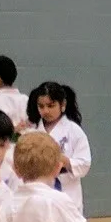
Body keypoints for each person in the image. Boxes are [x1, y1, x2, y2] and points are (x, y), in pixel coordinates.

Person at [29, 81, 92, 212]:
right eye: (41, 106)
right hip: (39, 192)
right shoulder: (32, 131)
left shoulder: (74, 131)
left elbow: (84, 163)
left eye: (51, 106)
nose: (45, 111)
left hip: (67, 192)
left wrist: (65, 161)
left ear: (62, 105)